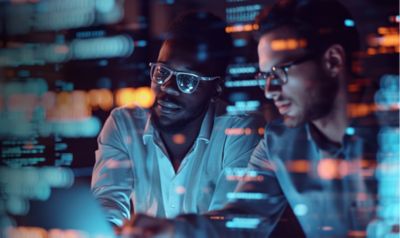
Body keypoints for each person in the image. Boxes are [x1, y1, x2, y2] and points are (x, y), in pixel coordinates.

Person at [126, 0, 377, 237]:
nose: (269, 89)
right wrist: (172, 230)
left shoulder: (390, 132)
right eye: (265, 75)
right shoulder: (279, 144)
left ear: (332, 61)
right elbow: (241, 219)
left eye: (280, 71)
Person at [91, 11, 264, 229]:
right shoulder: (123, 124)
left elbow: (227, 225)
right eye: (162, 72)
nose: (167, 88)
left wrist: (163, 232)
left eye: (188, 80)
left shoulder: (239, 130)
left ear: (216, 87)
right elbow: (107, 206)